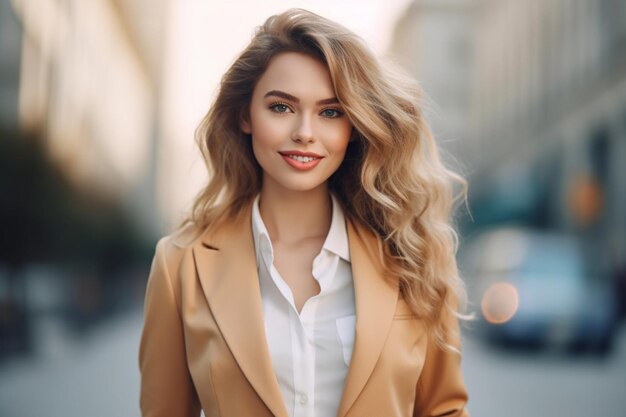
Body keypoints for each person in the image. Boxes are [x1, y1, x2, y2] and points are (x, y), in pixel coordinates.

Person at [139, 8, 470, 417]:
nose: (305, 133)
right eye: (281, 107)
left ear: (354, 127)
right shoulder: (180, 266)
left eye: (331, 112)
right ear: (246, 115)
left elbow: (444, 410)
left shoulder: (409, 255)